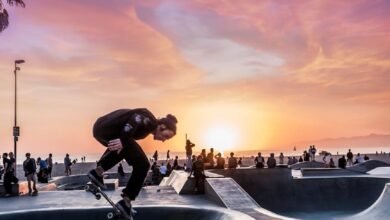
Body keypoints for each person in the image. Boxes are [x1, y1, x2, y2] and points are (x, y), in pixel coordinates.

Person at [87, 108, 177, 219]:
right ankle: (126, 202)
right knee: (143, 165)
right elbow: (136, 118)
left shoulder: (147, 127)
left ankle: (98, 172)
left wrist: (123, 140)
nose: (164, 140)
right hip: (107, 129)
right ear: (162, 127)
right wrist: (124, 140)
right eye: (166, 136)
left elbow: (123, 142)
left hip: (100, 129)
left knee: (123, 148)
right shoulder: (152, 123)